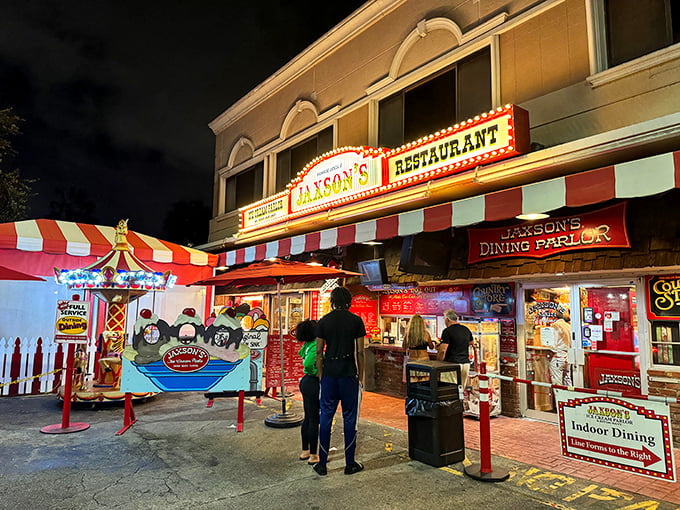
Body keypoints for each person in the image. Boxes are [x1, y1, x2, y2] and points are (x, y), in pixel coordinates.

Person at [313, 286, 366, 476]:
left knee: (326, 416)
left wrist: (321, 375)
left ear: (332, 302)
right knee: (350, 417)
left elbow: (319, 352)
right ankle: (350, 463)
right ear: (349, 302)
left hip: (328, 375)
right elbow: (360, 351)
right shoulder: (356, 321)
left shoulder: (324, 321)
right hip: (349, 375)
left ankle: (322, 464)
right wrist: (362, 376)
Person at [295, 319, 320, 465]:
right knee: (314, 419)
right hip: (313, 382)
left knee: (308, 418)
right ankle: (313, 455)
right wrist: (316, 372)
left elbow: (301, 355)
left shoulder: (307, 344)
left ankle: (305, 450)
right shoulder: (315, 344)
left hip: (305, 382)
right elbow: (308, 363)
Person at [437, 309, 474, 388]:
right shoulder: (465, 329)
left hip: (452, 364)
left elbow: (443, 350)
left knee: (450, 389)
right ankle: (460, 400)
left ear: (447, 319)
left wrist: (438, 363)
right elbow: (471, 343)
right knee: (461, 389)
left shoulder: (447, 331)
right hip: (465, 364)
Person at [402, 314, 435, 383]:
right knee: (424, 382)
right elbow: (431, 347)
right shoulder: (426, 334)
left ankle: (413, 394)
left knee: (413, 382)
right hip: (424, 361)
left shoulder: (408, 335)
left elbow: (403, 347)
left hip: (412, 360)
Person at [549, 311, 572, 386]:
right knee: (567, 380)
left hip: (558, 356)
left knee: (557, 381)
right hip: (568, 356)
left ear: (554, 318)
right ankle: (569, 397)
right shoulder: (568, 326)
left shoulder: (555, 326)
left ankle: (560, 397)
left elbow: (553, 345)